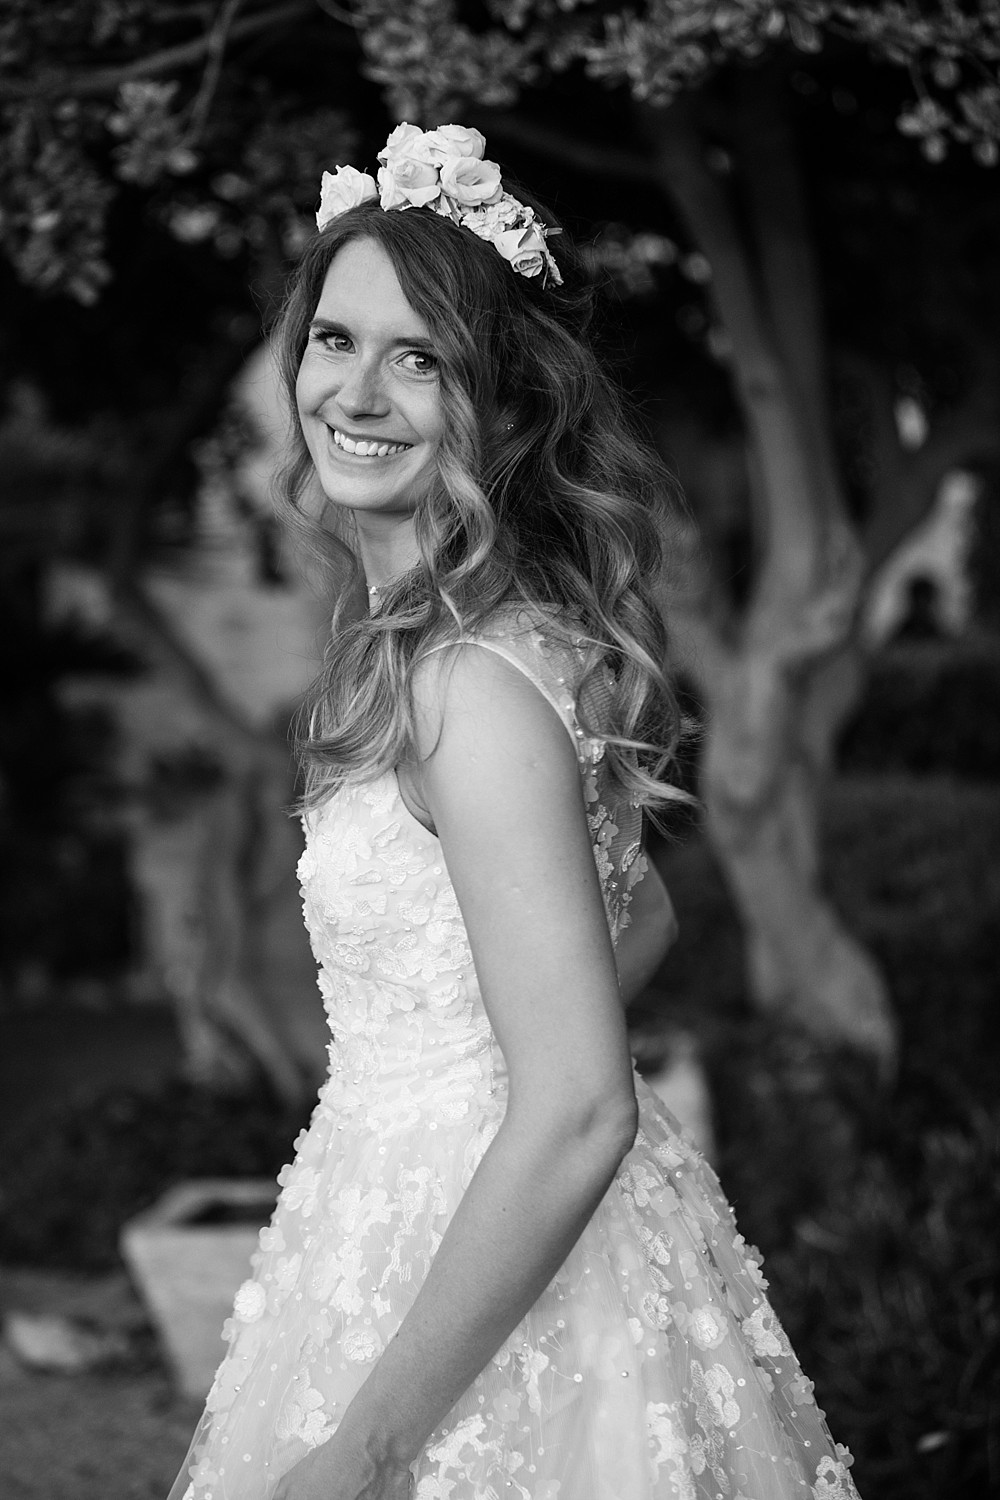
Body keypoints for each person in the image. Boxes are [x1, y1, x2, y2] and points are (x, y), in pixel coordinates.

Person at [168, 123, 860, 1500]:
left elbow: (586, 1105)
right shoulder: (488, 639)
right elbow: (642, 917)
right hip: (421, 1209)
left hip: (483, 1249)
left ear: (499, 400)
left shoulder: (466, 687)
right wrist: (499, 1072)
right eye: (335, 340)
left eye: (421, 359)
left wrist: (367, 1451)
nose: (359, 392)